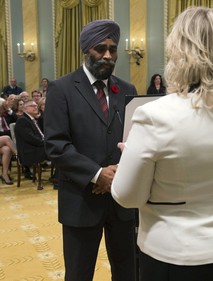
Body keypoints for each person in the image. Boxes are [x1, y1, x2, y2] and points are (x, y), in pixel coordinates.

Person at [112, 7, 213, 281]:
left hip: (173, 253)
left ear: (178, 51)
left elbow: (127, 197)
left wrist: (129, 155)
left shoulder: (155, 115)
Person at [44, 20, 138, 281]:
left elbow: (135, 140)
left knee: (128, 271)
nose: (107, 55)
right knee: (79, 273)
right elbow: (56, 145)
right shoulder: (61, 89)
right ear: (86, 50)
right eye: (100, 48)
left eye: (112, 49)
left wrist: (117, 174)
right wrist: (97, 174)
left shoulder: (127, 90)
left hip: (122, 198)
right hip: (81, 199)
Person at [14, 100, 48, 190]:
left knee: (58, 149)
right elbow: (31, 139)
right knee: (57, 151)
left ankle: (57, 177)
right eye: (33, 106)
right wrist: (46, 144)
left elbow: (38, 137)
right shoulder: (22, 120)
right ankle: (57, 178)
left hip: (34, 148)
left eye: (36, 105)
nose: (36, 107)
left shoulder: (30, 119)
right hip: (29, 152)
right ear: (25, 109)